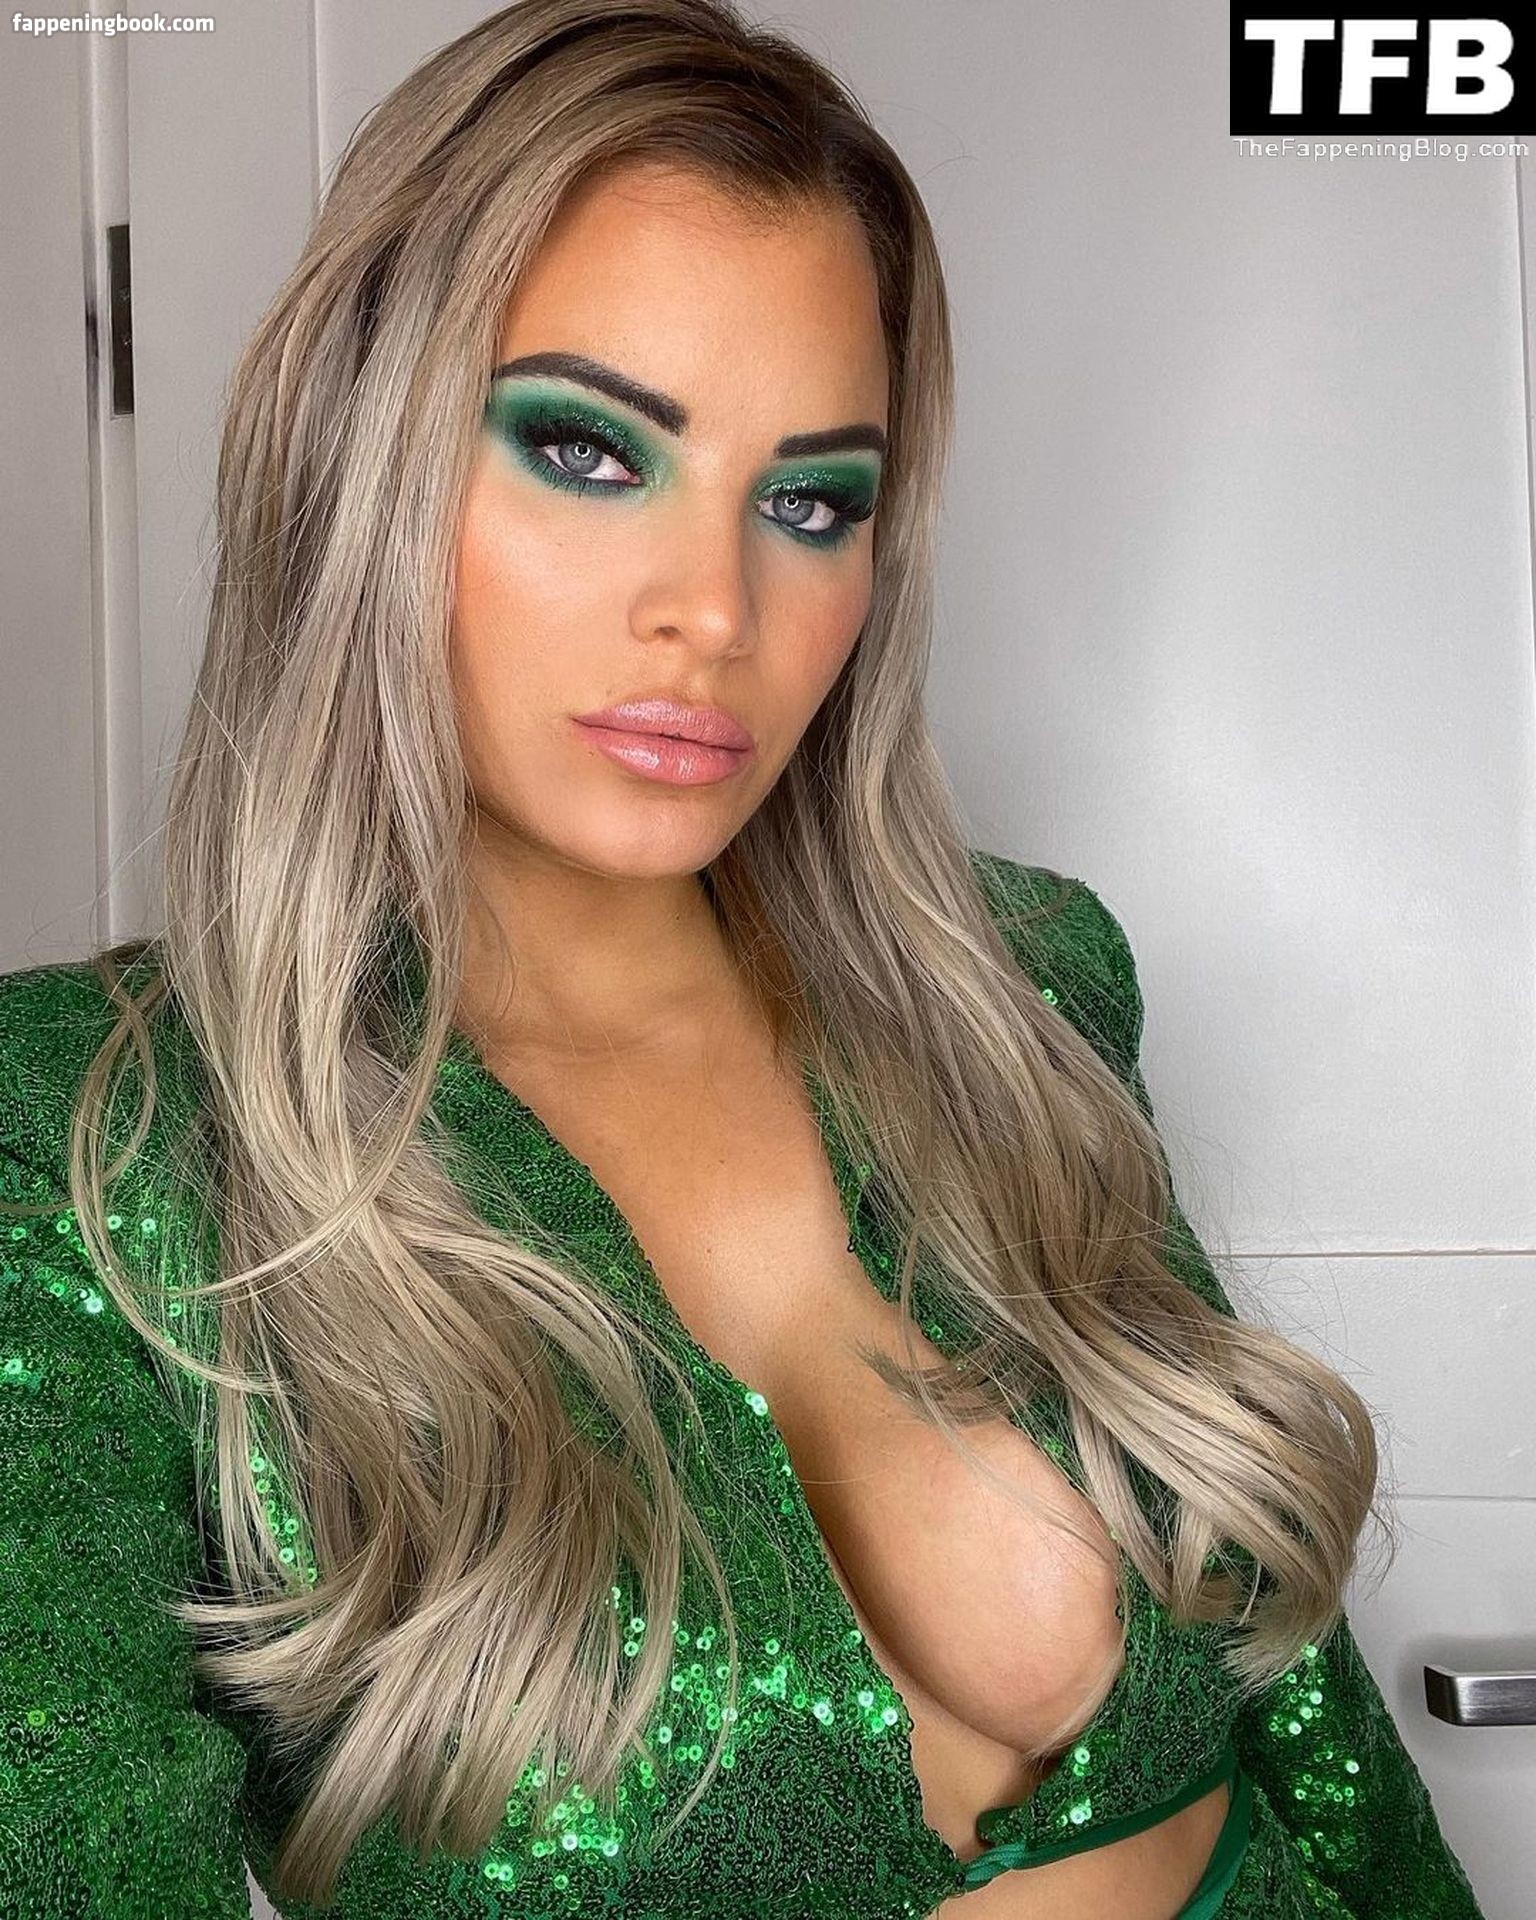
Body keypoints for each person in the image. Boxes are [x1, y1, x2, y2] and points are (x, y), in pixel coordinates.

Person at [0, 2, 1487, 1917]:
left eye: (810, 501)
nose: (713, 609)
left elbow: (1320, 1745)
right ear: (359, 455)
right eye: (585, 448)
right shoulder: (93, 1145)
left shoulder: (1019, 988)